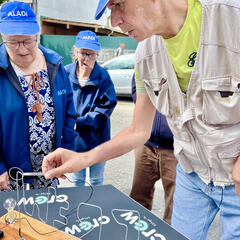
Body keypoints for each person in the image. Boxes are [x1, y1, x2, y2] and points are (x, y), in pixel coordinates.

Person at [42, 0, 240, 239]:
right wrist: (83, 158)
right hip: (192, 174)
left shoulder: (230, 17)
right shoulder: (145, 54)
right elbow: (138, 130)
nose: (113, 21)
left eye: (118, 4)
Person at [0, 1, 77, 190]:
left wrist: (66, 151)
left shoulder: (55, 65)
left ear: (38, 35)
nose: (22, 49)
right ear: (3, 37)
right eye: (13, 42)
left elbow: (69, 115)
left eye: (28, 41)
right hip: (10, 178)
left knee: (48, 217)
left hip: (49, 173)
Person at [65, 30, 117, 186]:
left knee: (96, 180)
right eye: (83, 53)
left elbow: (105, 109)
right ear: (75, 50)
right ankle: (77, 209)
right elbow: (60, 102)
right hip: (74, 139)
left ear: (97, 54)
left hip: (97, 139)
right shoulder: (65, 72)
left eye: (91, 54)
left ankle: (95, 209)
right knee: (77, 180)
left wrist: (79, 122)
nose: (86, 58)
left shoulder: (103, 76)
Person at [130, 73, 177, 225]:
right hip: (146, 144)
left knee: (175, 205)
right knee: (138, 198)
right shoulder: (149, 56)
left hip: (175, 148)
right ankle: (134, 232)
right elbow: (137, 88)